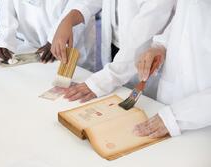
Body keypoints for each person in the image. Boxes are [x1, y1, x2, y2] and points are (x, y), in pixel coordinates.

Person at [51, 0, 176, 102]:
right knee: (115, 100)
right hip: (114, 47)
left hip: (142, 56)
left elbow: (140, 39)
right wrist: (68, 19)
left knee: (141, 106)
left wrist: (100, 83)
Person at [133, 0, 211, 138]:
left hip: (202, 121)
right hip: (169, 104)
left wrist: (175, 118)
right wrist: (161, 46)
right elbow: (187, 15)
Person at [0, 0, 96, 71]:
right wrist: (5, 38)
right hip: (30, 44)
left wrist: (55, 38)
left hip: (70, 47)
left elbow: (79, 6)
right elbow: (6, 5)